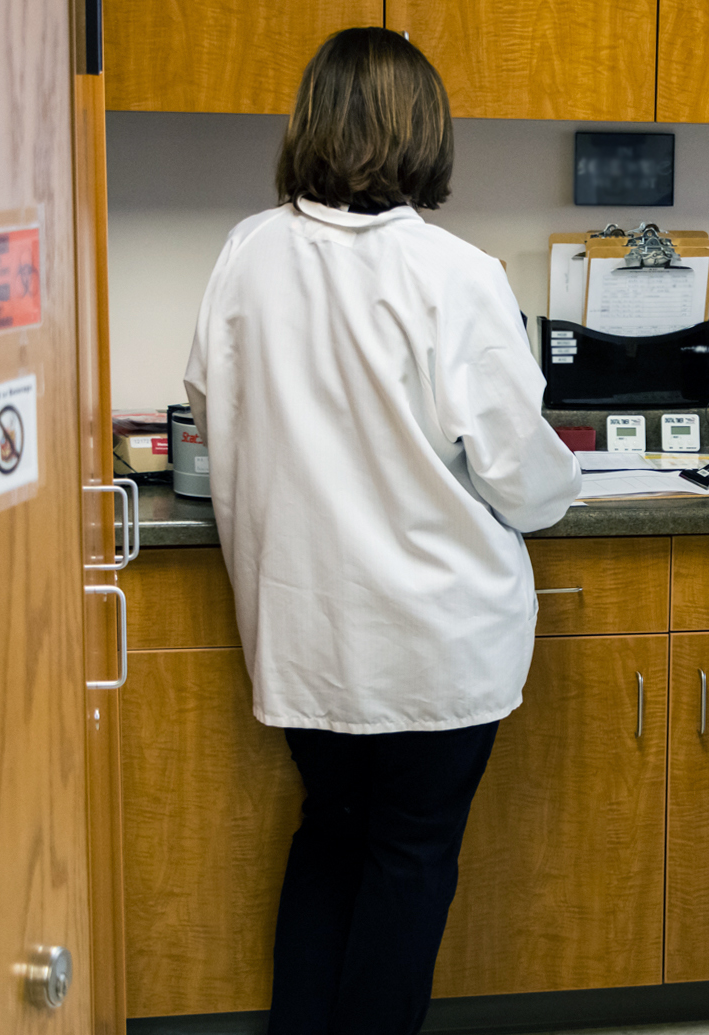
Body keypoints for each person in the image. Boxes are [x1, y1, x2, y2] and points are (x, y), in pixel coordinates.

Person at [183, 27, 582, 1035]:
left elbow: (209, 410)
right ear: (428, 136)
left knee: (330, 838)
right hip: (433, 647)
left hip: (307, 634)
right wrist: (562, 477)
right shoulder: (454, 273)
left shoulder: (246, 253)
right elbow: (520, 478)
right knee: (409, 862)